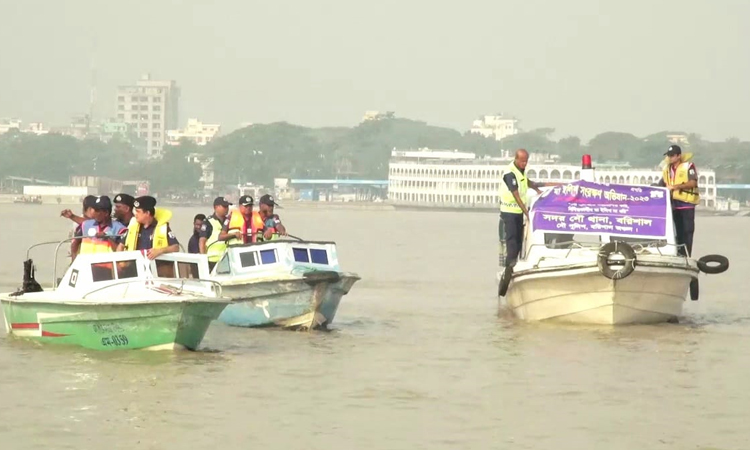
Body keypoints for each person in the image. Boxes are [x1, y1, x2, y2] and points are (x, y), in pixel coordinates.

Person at [498, 149, 547, 267]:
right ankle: (509, 267)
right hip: (509, 212)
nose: (524, 164)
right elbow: (516, 196)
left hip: (518, 212)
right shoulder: (510, 173)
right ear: (516, 159)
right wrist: (527, 213)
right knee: (512, 241)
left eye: (526, 161)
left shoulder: (520, 171)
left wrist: (536, 188)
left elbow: (525, 182)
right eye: (522, 161)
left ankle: (516, 264)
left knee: (519, 241)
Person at [657, 144, 699, 256]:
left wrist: (676, 187)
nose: (670, 158)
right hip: (674, 204)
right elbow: (661, 184)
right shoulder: (667, 169)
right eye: (668, 155)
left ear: (679, 156)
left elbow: (693, 182)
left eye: (672, 155)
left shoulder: (688, 166)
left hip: (687, 204)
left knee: (687, 232)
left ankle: (686, 254)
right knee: (677, 231)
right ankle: (678, 253)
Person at [199, 196, 232, 270]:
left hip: (227, 259)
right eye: (224, 206)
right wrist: (203, 260)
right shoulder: (208, 222)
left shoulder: (230, 221)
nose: (227, 209)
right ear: (216, 207)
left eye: (227, 206)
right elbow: (202, 241)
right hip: (212, 260)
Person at [61, 195, 97, 261]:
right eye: (97, 209)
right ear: (90, 209)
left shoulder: (82, 220)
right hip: (79, 258)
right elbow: (74, 245)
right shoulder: (79, 224)